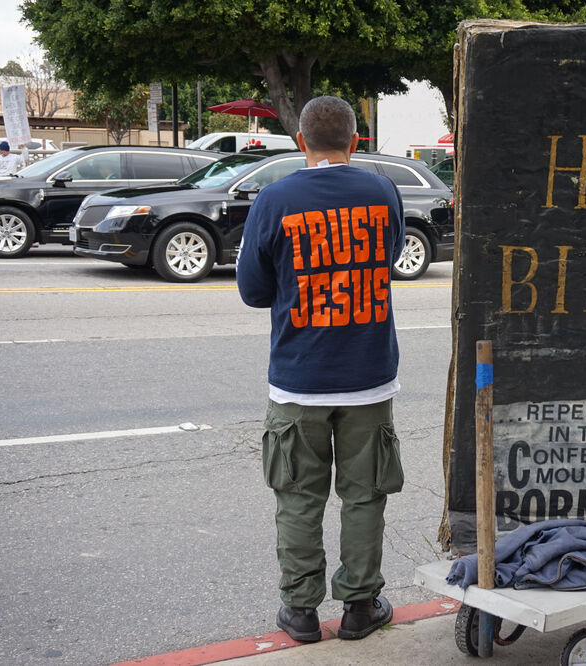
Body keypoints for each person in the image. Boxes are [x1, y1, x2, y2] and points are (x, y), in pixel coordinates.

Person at [236, 96, 406, 643]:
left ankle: (301, 611)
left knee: (298, 496)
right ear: (355, 142)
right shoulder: (382, 191)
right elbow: (393, 254)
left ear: (299, 142)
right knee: (364, 495)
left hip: (298, 379)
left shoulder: (274, 199)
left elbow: (253, 290)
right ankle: (360, 605)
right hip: (368, 376)